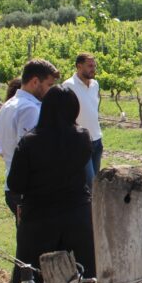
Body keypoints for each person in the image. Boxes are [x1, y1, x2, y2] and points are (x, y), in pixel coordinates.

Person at [6, 86, 99, 283]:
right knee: (85, 278)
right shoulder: (82, 137)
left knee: (30, 277)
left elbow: (15, 184)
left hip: (39, 218)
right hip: (77, 217)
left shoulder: (30, 141)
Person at [0, 60, 59, 219]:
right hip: (28, 188)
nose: (51, 90)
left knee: (25, 232)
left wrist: (10, 157)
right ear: (35, 82)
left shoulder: (9, 104)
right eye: (49, 85)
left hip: (12, 184)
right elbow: (32, 152)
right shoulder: (30, 109)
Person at [62, 53, 103, 188]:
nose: (93, 69)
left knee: (95, 183)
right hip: (80, 141)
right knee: (89, 184)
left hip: (97, 139)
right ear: (79, 66)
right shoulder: (68, 86)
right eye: (90, 66)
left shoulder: (95, 84)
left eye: (94, 66)